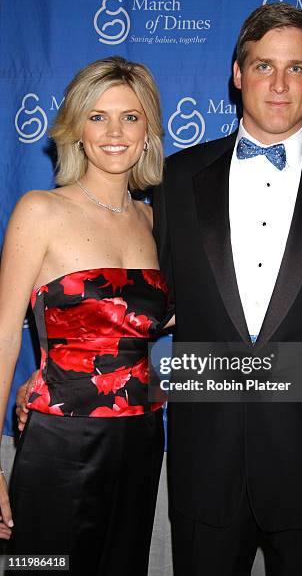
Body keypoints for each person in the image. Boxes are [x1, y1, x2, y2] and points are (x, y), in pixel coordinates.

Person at [152, 3, 302, 575]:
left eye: (297, 68)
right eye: (264, 67)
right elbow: (145, 303)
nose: (280, 84)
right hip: (206, 459)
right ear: (237, 74)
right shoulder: (174, 179)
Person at [0, 56, 172, 575]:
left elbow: (149, 318)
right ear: (76, 131)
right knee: (42, 568)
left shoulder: (153, 218)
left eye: (130, 116)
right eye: (97, 117)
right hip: (60, 440)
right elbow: (6, 332)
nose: (114, 132)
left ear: (149, 131)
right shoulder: (40, 210)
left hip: (143, 436)